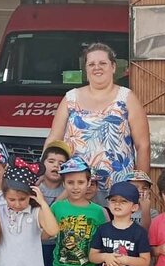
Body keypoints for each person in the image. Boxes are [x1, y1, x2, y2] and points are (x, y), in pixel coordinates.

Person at [44, 42, 150, 202]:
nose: (97, 67)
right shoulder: (70, 98)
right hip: (75, 186)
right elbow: (53, 139)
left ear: (113, 67)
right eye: (91, 64)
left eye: (102, 63)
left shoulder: (127, 98)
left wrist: (140, 186)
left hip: (117, 190)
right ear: (86, 70)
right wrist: (43, 172)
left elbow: (143, 145)